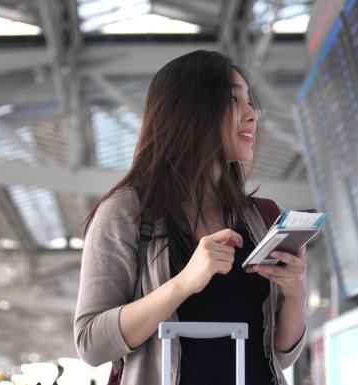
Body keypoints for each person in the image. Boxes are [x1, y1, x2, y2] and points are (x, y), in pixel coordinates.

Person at [73, 50, 307, 385]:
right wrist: (183, 283)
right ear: (190, 110)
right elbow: (91, 343)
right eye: (233, 100)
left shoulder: (265, 218)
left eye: (251, 102)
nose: (252, 114)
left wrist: (296, 292)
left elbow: (279, 354)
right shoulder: (125, 213)